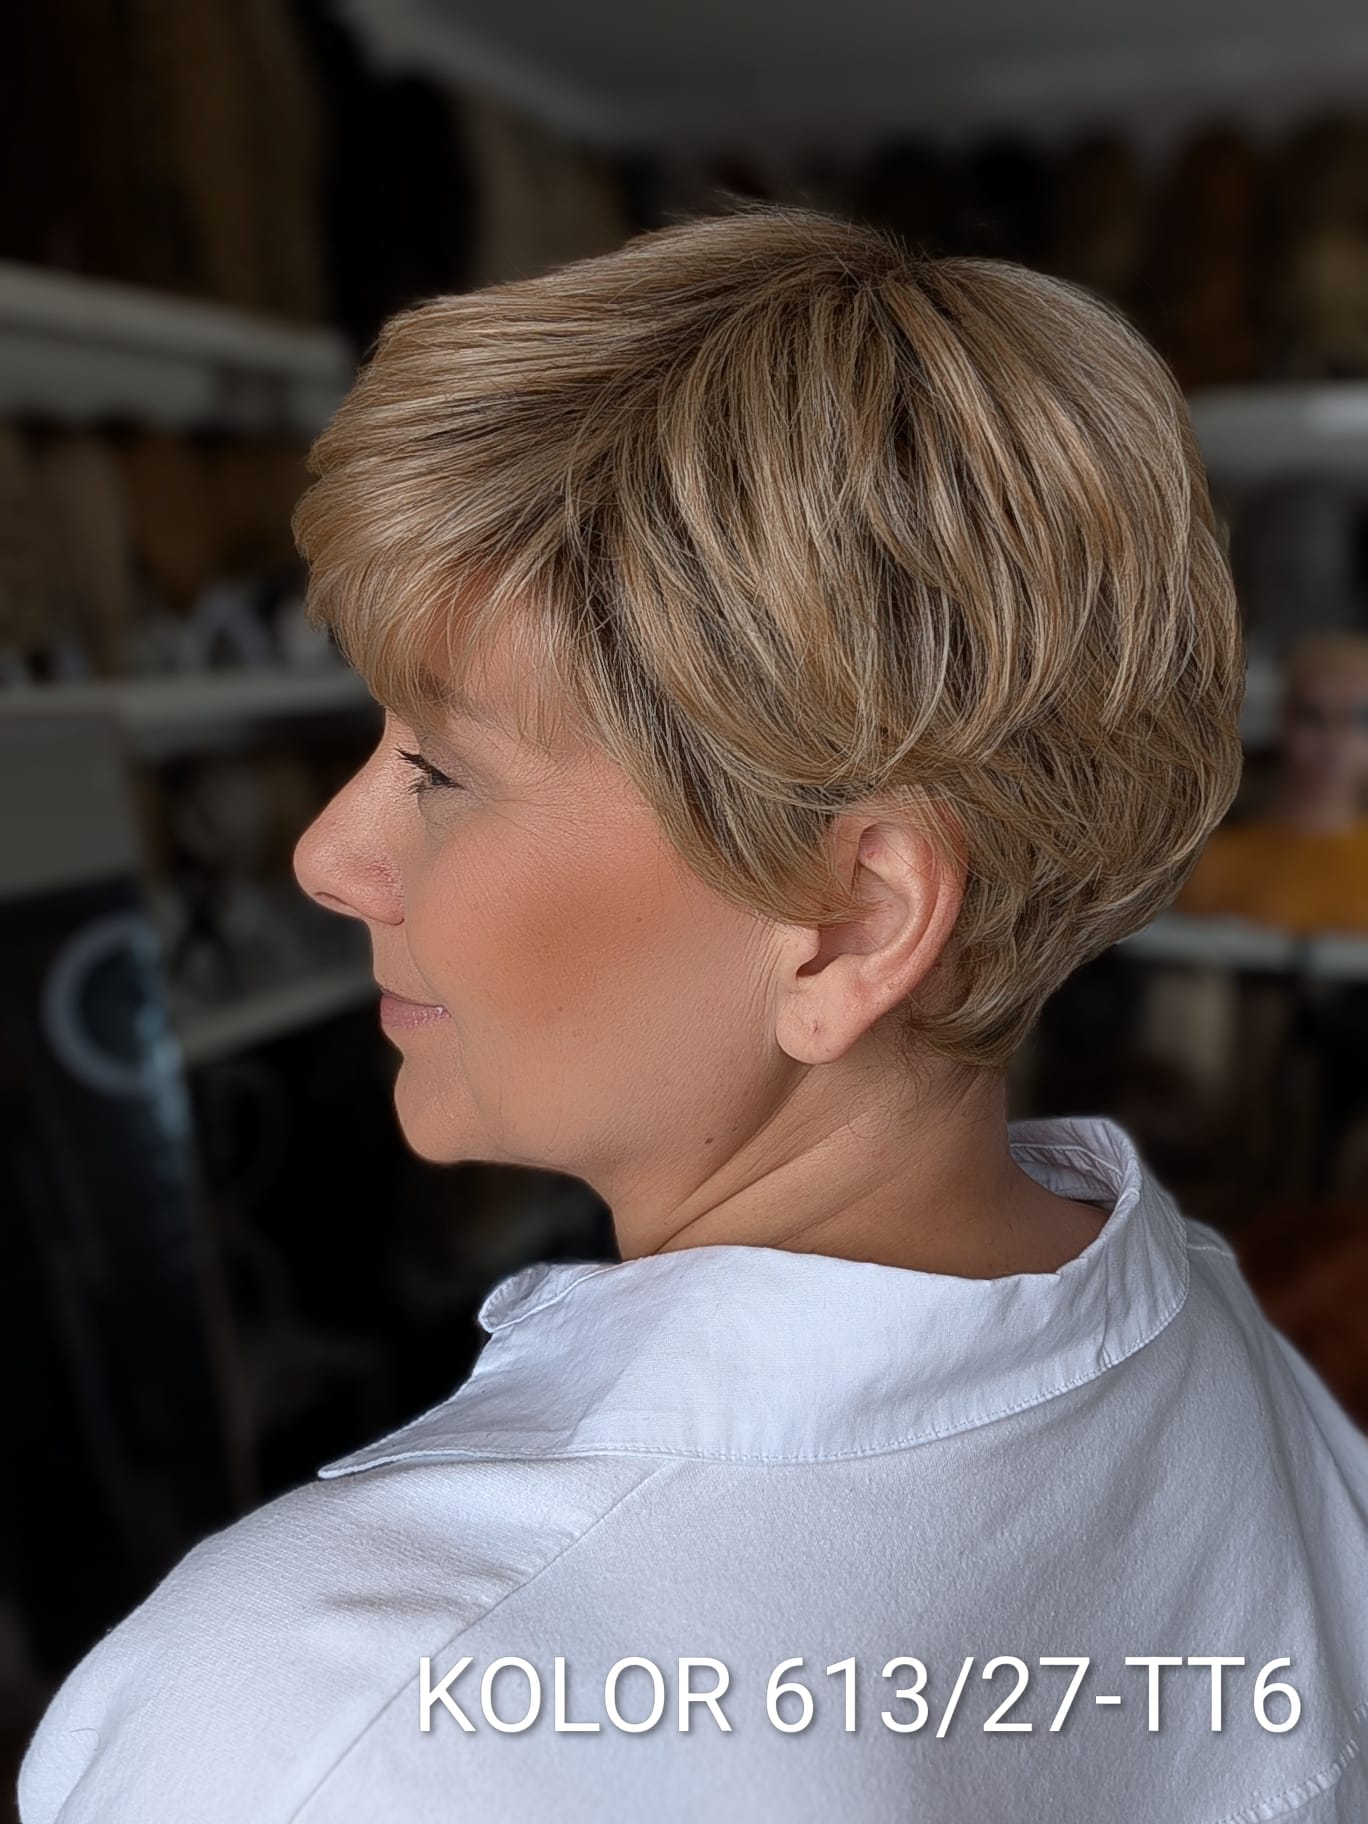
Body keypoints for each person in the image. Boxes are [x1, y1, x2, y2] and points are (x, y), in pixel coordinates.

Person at [19, 206, 1368, 1822]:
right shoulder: (1219, 1354)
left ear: (850, 922)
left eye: (439, 769)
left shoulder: (331, 1715)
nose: (327, 853)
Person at [1176, 630, 1368, 933]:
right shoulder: (1214, 863)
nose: (1337, 739)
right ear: (1281, 720)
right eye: (1314, 715)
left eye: (1361, 719)